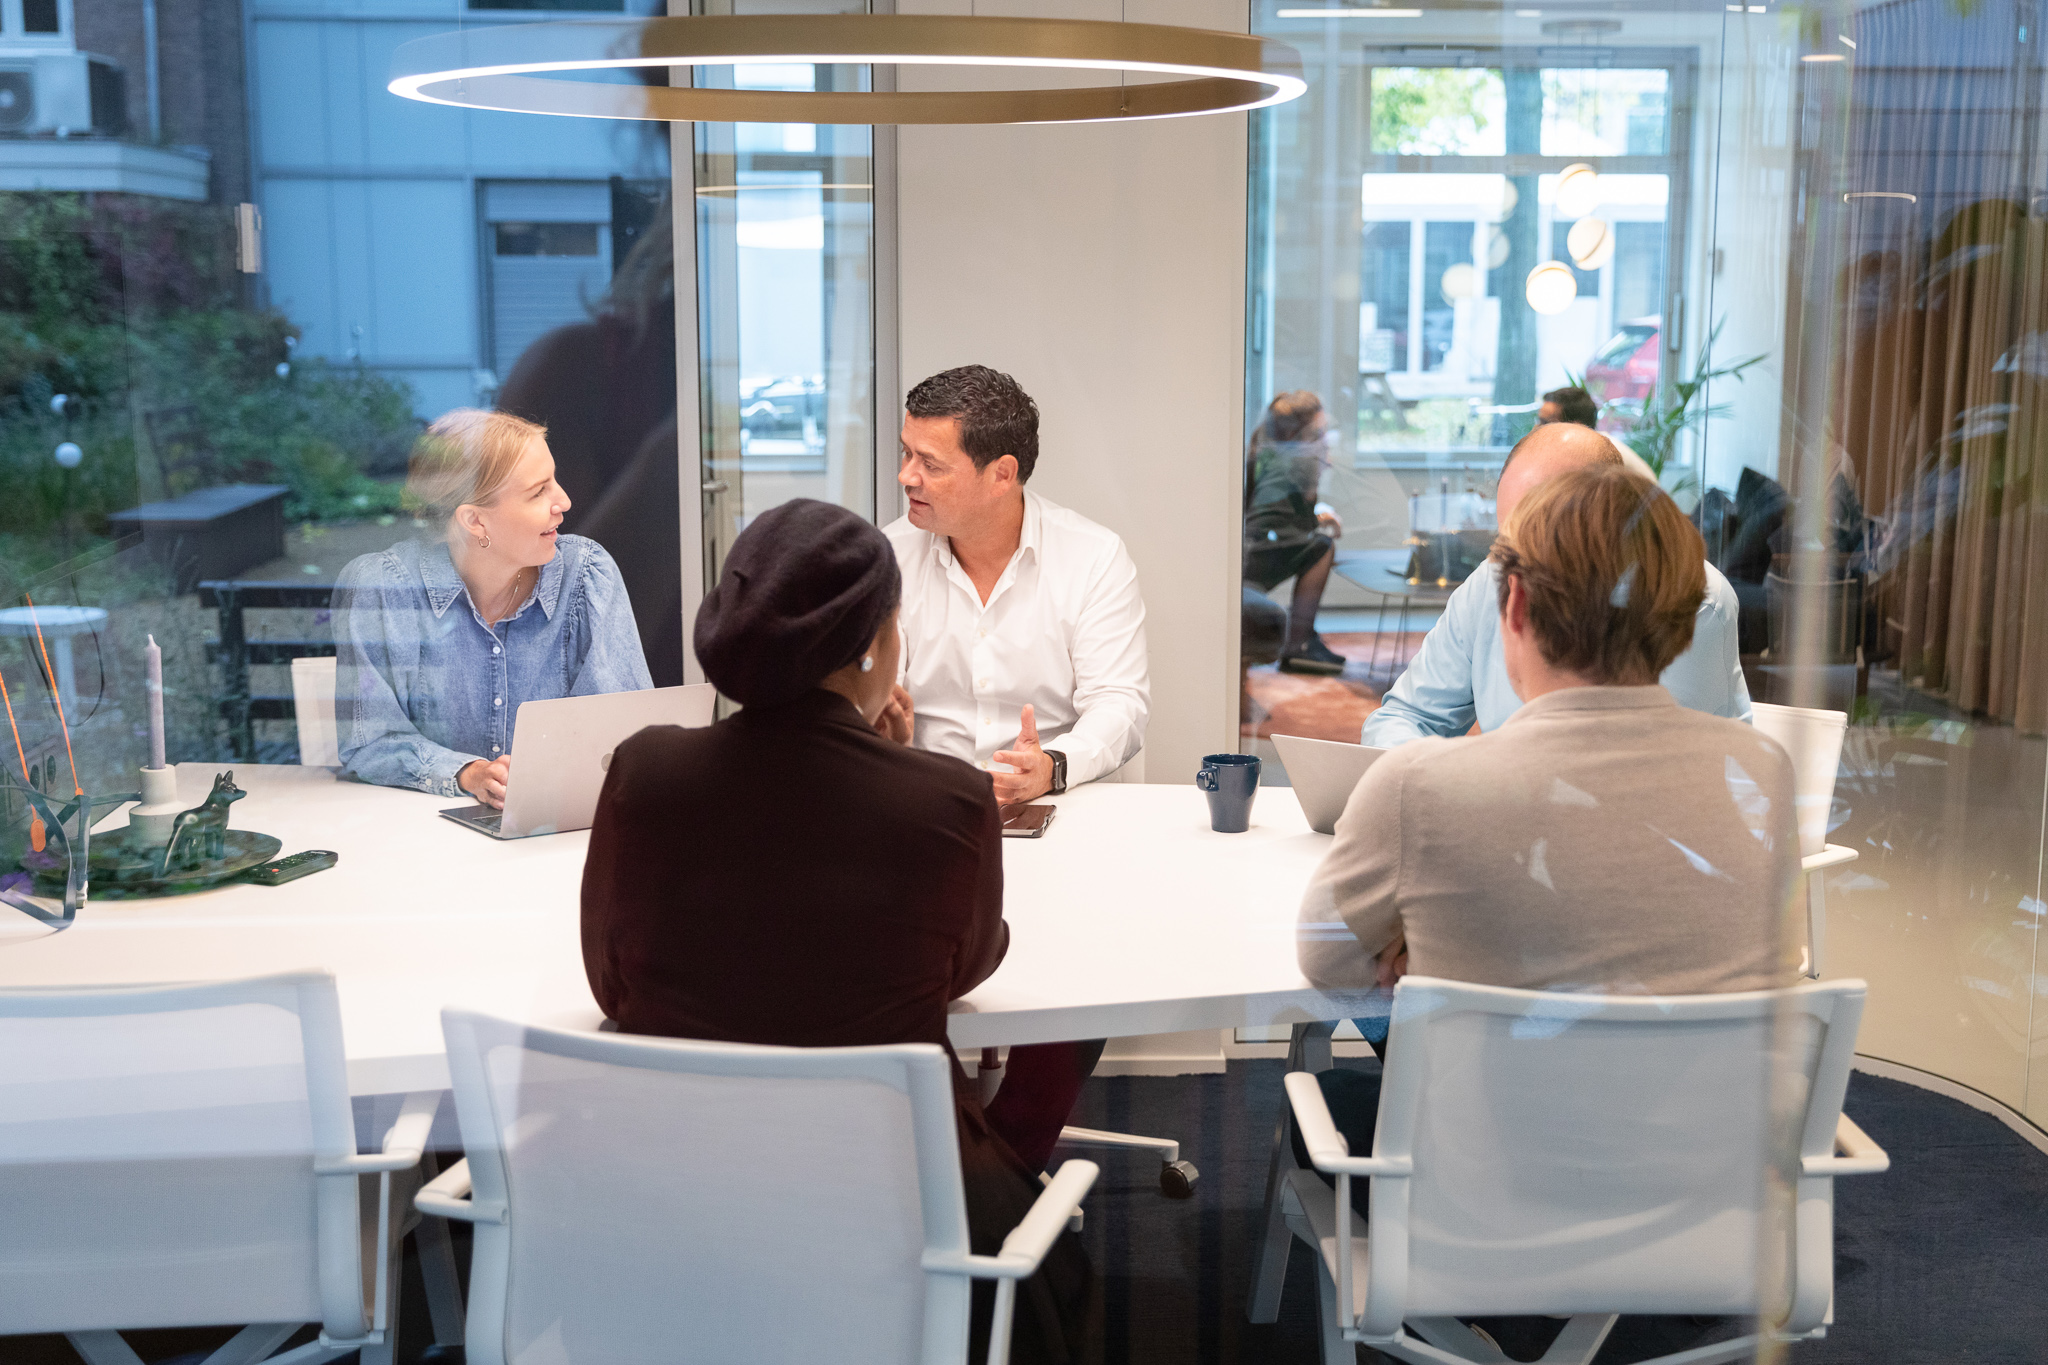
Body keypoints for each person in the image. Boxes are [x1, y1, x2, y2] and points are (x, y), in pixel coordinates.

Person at [1295, 463, 1799, 1360]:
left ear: (1514, 607)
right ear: (1688, 614)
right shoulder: (1759, 776)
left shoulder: (1422, 785)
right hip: (1704, 1203)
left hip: (1477, 1212)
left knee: (1330, 1094)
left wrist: (1419, 942)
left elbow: (1330, 964)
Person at [581, 500, 1090, 1365]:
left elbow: (612, 984)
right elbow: (965, 962)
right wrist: (896, 757)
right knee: (1060, 1268)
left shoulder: (645, 769)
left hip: (678, 1191)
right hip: (893, 1196)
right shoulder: (945, 799)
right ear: (872, 647)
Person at [883, 363, 1148, 1173]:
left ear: (1003, 475)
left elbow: (1121, 704)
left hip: (1060, 819)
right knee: (878, 955)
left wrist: (1052, 766)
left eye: (930, 462)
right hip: (923, 823)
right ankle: (940, 1147)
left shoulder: (1090, 556)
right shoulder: (888, 555)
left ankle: (1007, 1161)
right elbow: (859, 698)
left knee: (1084, 964)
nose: (906, 477)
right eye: (905, 454)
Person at [1363, 421, 1749, 746]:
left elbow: (1635, 767)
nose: (1517, 561)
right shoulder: (1494, 576)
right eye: (1508, 537)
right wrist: (1427, 777)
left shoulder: (1685, 597)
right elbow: (1402, 718)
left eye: (1541, 535)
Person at [334, 409, 651, 804]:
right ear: (475, 521)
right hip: (421, 839)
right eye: (538, 492)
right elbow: (370, 742)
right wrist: (467, 773)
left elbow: (624, 733)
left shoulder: (586, 575)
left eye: (554, 480)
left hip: (557, 829)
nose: (564, 501)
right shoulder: (384, 589)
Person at [1243, 391, 1348, 674]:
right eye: (1320, 432)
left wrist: (1316, 515)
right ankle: (1300, 642)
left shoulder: (1264, 451)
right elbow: (1300, 523)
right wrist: (1321, 521)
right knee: (1323, 546)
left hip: (1249, 549)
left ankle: (1303, 639)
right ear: (1303, 432)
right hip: (1263, 552)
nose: (1326, 440)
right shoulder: (1303, 460)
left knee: (1316, 541)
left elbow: (1275, 507)